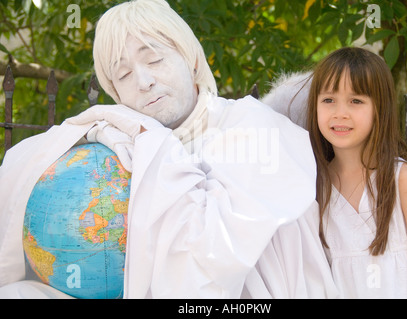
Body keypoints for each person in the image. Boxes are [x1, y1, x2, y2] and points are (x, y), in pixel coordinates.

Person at [0, 0, 338, 298]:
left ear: (190, 59)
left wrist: (158, 150)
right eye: (123, 74)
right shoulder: (120, 147)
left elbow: (211, 259)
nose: (144, 81)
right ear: (116, 96)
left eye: (156, 59)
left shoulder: (251, 126)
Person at [303, 46, 407, 298]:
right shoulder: (315, 185)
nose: (340, 113)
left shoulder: (400, 178)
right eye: (328, 100)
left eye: (355, 101)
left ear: (379, 108)